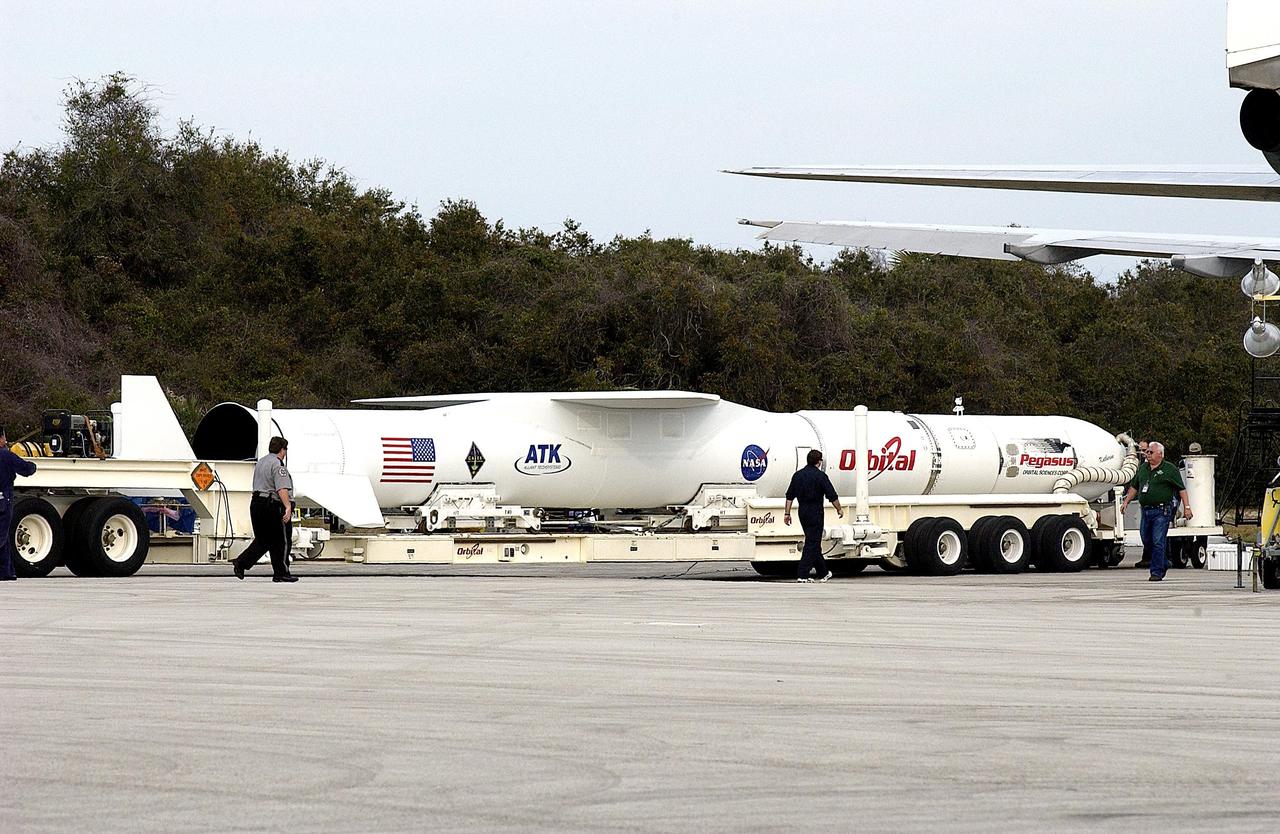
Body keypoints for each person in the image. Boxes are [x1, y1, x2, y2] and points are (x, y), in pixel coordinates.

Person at [1120, 441, 1192, 582]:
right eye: (1146, 452)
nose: (1147, 454)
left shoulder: (1169, 469)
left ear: (1160, 454)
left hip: (1161, 511)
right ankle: (1164, 562)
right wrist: (1126, 501)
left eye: (1150, 452)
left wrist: (1187, 507)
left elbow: (1181, 489)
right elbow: (1134, 486)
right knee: (1146, 540)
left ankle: (1156, 572)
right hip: (1145, 510)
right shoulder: (1143, 468)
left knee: (1158, 541)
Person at [232, 436, 297, 582]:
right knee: (281, 541)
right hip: (272, 505)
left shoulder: (261, 462)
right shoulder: (278, 465)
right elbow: (281, 488)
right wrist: (287, 507)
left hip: (256, 504)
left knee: (264, 540)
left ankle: (241, 563)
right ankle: (281, 573)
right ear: (282, 450)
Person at [784, 449, 844, 582]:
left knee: (814, 542)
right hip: (815, 512)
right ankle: (802, 574)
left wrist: (787, 513)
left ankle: (823, 573)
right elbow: (832, 495)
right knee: (812, 543)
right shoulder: (820, 476)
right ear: (819, 461)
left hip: (802, 513)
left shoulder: (797, 475)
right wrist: (839, 509)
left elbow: (789, 496)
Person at [0, 426, 39, 581]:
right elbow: (27, 469)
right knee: (2, 536)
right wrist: (33, 465)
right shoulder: (6, 456)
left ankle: (7, 571)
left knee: (4, 538)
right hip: (3, 500)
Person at [1132, 438, 1153, 569]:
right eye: (1139, 450)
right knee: (1144, 532)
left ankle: (1154, 558)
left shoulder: (1153, 466)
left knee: (1155, 534)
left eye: (1145, 450)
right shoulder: (1138, 467)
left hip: (1156, 505)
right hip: (1142, 504)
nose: (1143, 453)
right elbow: (1134, 485)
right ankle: (1147, 557)